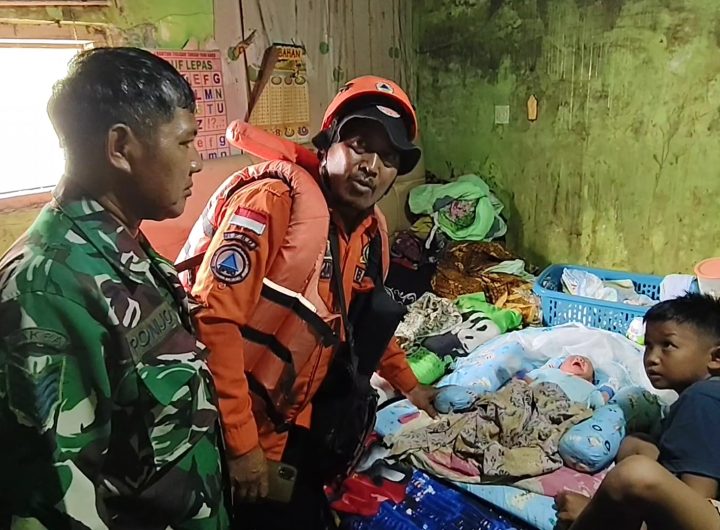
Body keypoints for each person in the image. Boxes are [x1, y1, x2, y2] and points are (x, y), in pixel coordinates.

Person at [178, 76, 437, 529]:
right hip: (221, 422)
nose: (371, 167)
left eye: (389, 158)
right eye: (359, 145)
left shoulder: (368, 231)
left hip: (289, 419)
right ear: (328, 143)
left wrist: (410, 386)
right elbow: (211, 321)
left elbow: (363, 324)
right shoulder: (272, 202)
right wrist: (242, 445)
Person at [0, 48, 229, 529]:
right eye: (185, 142)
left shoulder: (121, 246)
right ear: (121, 147)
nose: (196, 162)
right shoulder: (45, 293)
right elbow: (57, 508)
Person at [555, 293, 720, 530]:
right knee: (636, 445)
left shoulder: (702, 398)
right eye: (648, 346)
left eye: (667, 346)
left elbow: (699, 499)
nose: (652, 358)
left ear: (716, 357)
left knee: (635, 474)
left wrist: (596, 514)